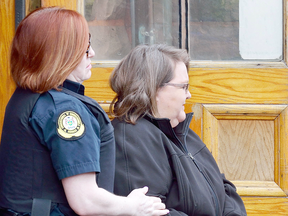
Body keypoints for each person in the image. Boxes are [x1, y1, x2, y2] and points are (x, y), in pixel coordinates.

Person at [0, 7, 169, 216]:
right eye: (85, 46)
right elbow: (85, 201)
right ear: (64, 52)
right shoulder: (65, 110)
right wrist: (132, 207)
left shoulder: (27, 97)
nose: (92, 53)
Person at [109, 44, 247, 216]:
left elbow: (224, 189)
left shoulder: (183, 132)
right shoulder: (132, 137)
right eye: (183, 87)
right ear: (154, 89)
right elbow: (154, 211)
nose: (189, 95)